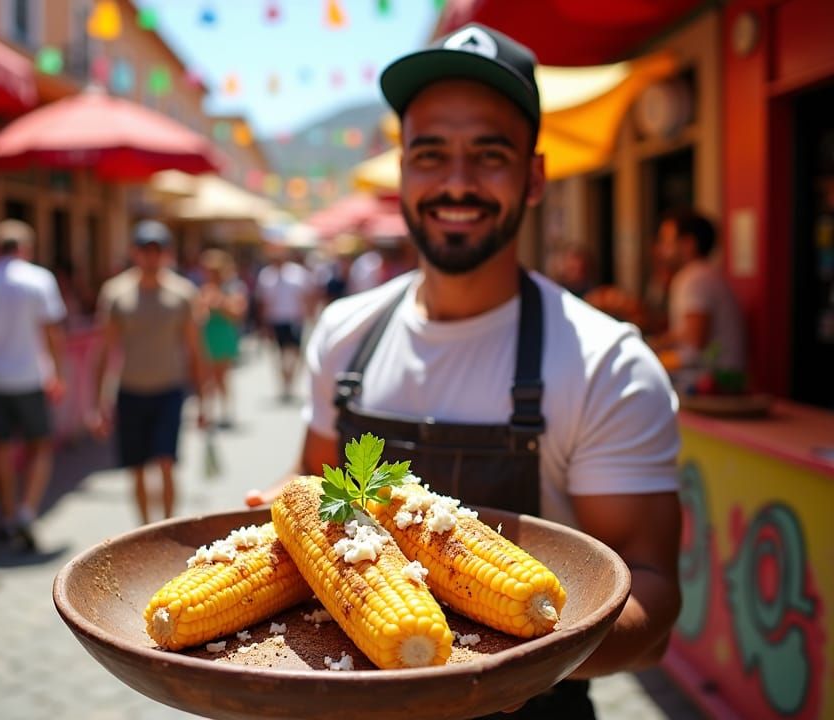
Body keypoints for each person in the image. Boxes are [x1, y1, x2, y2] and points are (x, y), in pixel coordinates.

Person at [247, 23, 681, 717]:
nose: (456, 183)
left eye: (489, 154)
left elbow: (653, 601)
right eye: (430, 154)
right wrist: (273, 510)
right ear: (402, 172)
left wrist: (491, 671)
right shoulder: (343, 333)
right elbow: (323, 492)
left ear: (534, 176)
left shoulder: (607, 363)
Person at [0, 220, 66, 551]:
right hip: (32, 377)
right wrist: (58, 372)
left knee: (1, 449)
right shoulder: (39, 279)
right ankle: (26, 510)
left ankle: (8, 515)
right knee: (40, 446)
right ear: (26, 248)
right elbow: (52, 332)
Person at [92, 220, 205, 524]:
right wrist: (98, 403)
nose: (151, 257)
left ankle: (166, 529)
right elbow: (105, 351)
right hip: (130, 392)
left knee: (167, 463)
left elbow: (195, 350)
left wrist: (205, 402)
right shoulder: (116, 293)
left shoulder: (182, 293)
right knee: (137, 468)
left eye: (157, 250)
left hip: (169, 391)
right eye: (145, 250)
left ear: (166, 253)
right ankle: (144, 530)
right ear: (134, 252)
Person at [649, 211, 746, 386]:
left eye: (666, 241)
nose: (661, 248)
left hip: (712, 387)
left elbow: (694, 345)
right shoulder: (702, 274)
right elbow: (687, 333)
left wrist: (650, 360)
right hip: (719, 383)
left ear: (688, 244)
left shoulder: (694, 278)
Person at [254, 242, 314, 401]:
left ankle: (290, 379)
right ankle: (285, 383)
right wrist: (263, 325)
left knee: (294, 352)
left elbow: (308, 295)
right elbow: (262, 302)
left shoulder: (297, 273)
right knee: (280, 353)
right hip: (275, 319)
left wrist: (309, 316)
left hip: (295, 319)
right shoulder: (266, 275)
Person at [198, 248, 248, 429]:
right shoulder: (204, 289)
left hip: (224, 334)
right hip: (207, 335)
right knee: (205, 377)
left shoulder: (233, 288)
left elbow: (238, 313)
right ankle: (207, 411)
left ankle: (225, 410)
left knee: (221, 375)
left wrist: (220, 302)